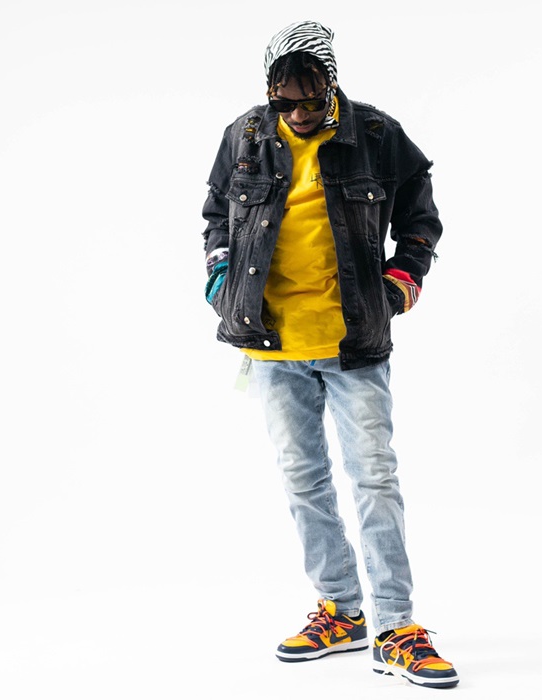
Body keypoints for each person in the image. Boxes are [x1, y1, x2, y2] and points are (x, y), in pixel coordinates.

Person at [201, 20, 458, 690]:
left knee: (374, 479)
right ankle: (341, 610)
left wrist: (402, 282)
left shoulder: (375, 133)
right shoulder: (245, 135)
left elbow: (421, 216)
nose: (297, 114)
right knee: (303, 480)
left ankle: (396, 625)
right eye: (284, 103)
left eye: (310, 101)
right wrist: (220, 277)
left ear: (332, 86)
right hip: (271, 345)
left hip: (353, 343)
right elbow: (215, 214)